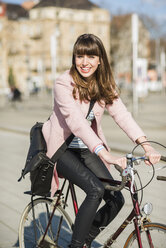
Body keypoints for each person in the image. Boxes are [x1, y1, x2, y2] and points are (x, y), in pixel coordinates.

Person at [42, 34, 161, 248]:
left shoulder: (104, 85)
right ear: (74, 58)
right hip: (62, 149)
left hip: (88, 150)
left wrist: (146, 145)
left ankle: (84, 239)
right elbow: (76, 123)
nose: (84, 62)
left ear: (100, 59)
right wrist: (104, 153)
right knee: (95, 189)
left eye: (91, 56)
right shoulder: (63, 83)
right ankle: (76, 246)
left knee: (116, 198)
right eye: (80, 56)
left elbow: (122, 115)